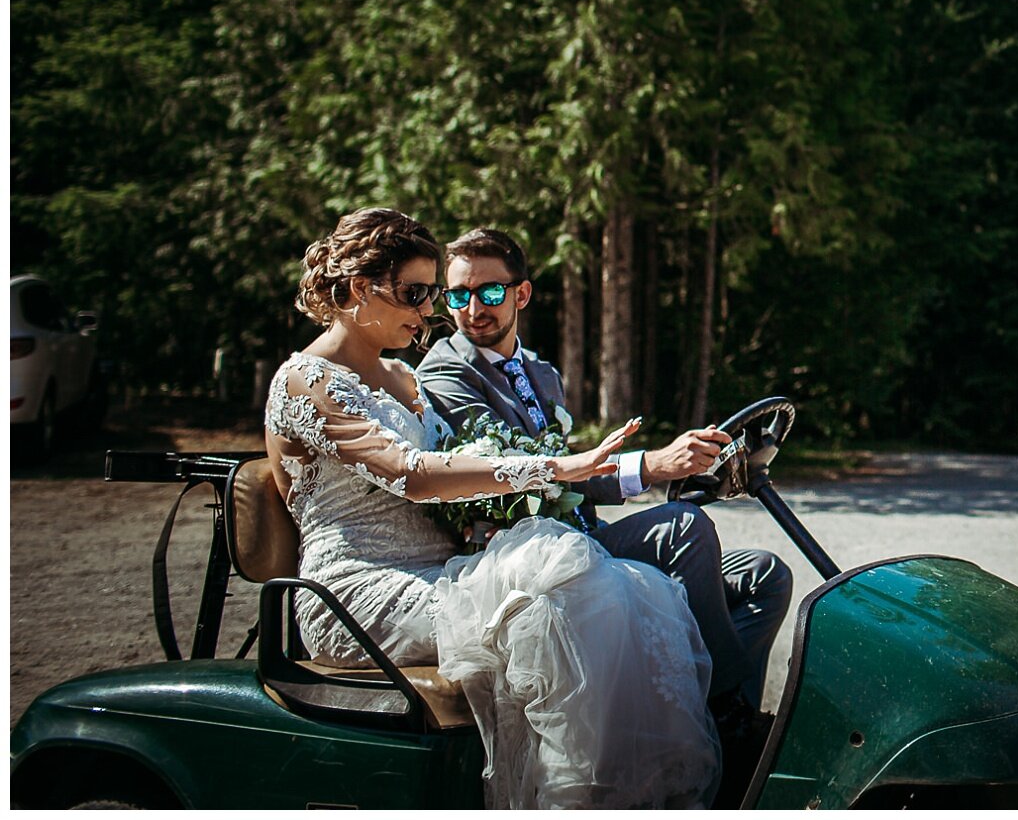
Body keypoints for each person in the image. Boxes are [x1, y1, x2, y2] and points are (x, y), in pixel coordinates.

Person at [263, 207, 720, 808]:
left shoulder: (403, 379)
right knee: (555, 596)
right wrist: (555, 467)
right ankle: (572, 801)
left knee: (614, 582)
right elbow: (412, 475)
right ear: (356, 289)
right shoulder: (306, 381)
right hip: (358, 591)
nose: (431, 311)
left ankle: (621, 792)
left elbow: (461, 470)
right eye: (417, 293)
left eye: (431, 294)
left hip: (443, 572)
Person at [417, 227, 792, 733]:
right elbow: (523, 469)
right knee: (681, 528)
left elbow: (566, 467)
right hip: (525, 555)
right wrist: (651, 465)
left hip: (579, 539)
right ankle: (727, 714)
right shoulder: (446, 373)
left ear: (521, 294)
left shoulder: (541, 372)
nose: (472, 308)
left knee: (765, 573)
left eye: (488, 292)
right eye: (458, 294)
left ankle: (721, 724)